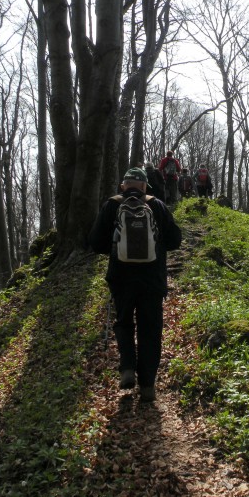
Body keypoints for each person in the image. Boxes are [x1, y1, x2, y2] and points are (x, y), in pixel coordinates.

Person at [88, 167, 182, 402]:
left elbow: (96, 243)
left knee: (124, 322)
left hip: (121, 279)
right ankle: (148, 385)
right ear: (144, 186)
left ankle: (128, 367)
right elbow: (175, 240)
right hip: (152, 280)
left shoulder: (111, 205)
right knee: (150, 329)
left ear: (124, 185)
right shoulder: (157, 205)